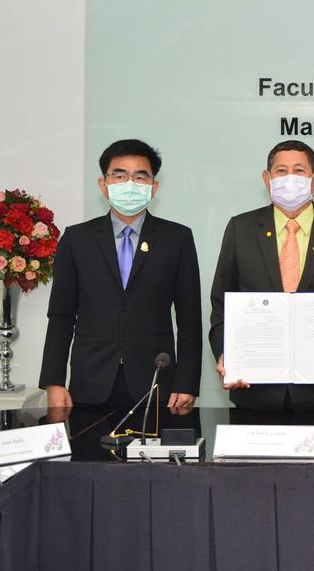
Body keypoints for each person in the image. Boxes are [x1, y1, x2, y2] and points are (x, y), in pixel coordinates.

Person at [209, 140, 314, 410]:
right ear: (267, 179)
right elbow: (222, 301)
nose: (290, 179)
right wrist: (226, 355)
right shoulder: (241, 228)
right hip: (254, 390)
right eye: (281, 171)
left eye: (299, 171)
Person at [39, 139, 202, 411]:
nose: (130, 183)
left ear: (154, 186)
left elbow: (189, 319)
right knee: (89, 452)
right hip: (90, 382)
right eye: (120, 175)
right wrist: (53, 382)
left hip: (155, 381)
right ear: (103, 184)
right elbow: (61, 316)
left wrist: (186, 383)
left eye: (140, 176)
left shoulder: (178, 238)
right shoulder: (76, 239)